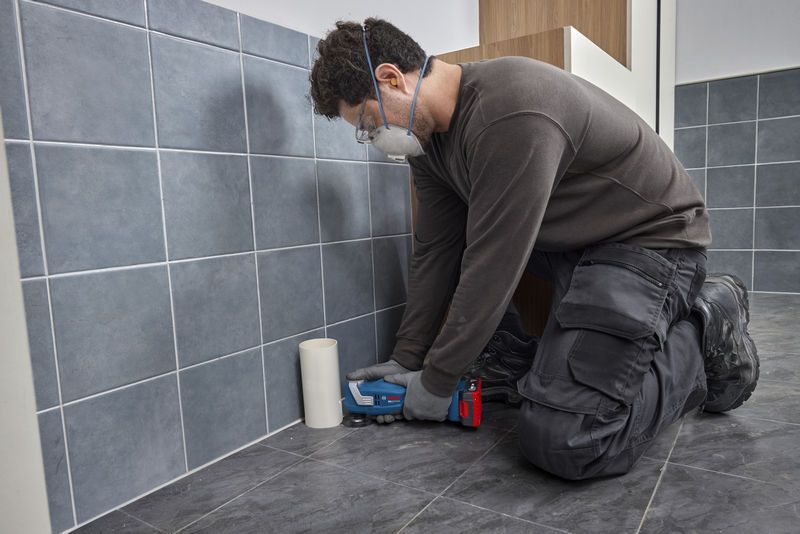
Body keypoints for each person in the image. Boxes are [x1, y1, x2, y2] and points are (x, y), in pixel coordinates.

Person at [309, 18, 759, 480]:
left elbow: (493, 264)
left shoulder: (510, 111)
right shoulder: (430, 144)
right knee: (472, 263)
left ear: (391, 78)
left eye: (368, 123)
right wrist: (407, 359)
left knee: (572, 440)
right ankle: (531, 362)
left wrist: (438, 380)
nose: (374, 138)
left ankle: (706, 322)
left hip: (650, 243)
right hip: (575, 247)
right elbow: (436, 252)